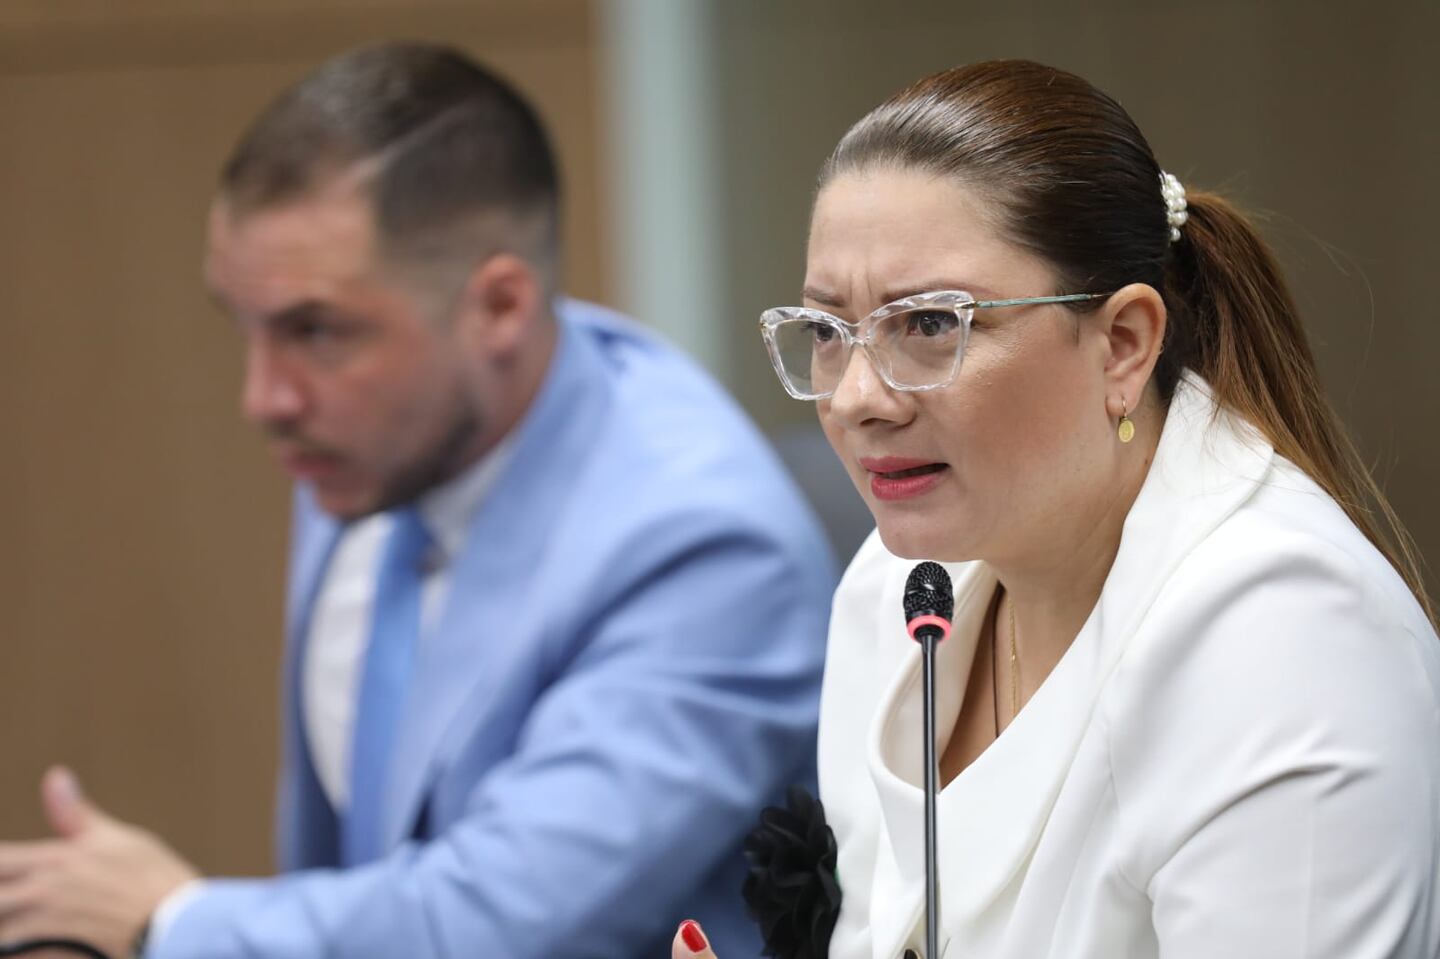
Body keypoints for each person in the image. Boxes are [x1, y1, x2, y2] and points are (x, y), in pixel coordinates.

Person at [0, 42, 835, 959]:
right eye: (246, 328)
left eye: (315, 330)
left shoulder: (707, 546)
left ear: (501, 308)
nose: (265, 399)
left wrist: (171, 922)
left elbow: (498, 925)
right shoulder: (374, 440)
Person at [671, 60, 1440, 958]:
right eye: (828, 332)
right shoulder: (897, 586)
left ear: (1123, 345)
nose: (856, 399)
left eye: (930, 324)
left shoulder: (1284, 636)